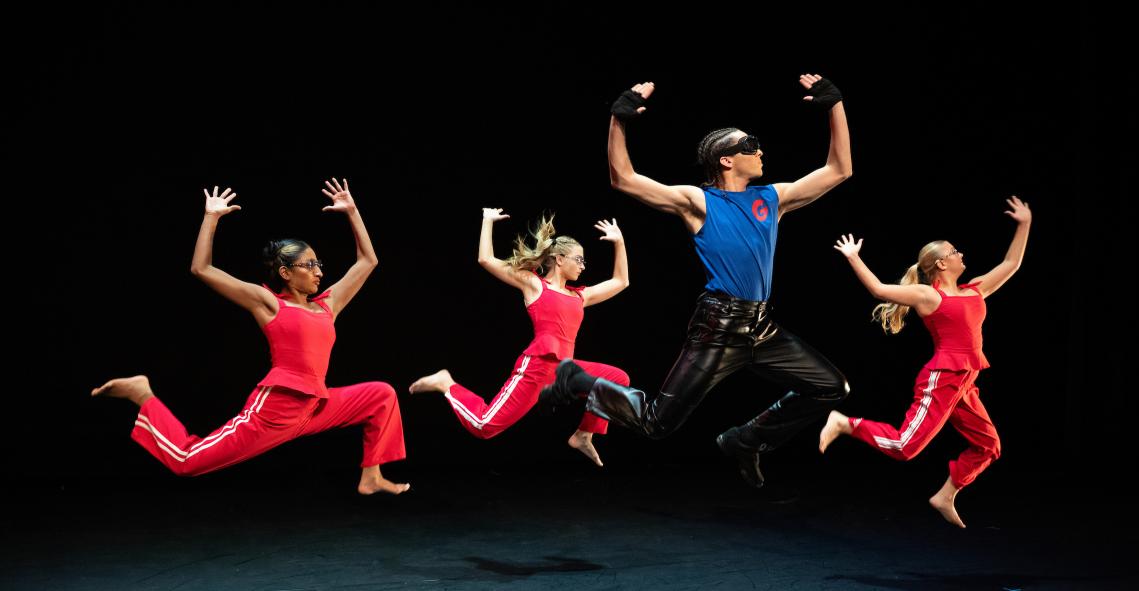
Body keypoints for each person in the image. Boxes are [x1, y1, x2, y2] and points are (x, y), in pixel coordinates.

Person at [541, 74, 852, 488]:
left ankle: (746, 440)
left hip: (761, 326)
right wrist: (619, 119)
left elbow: (839, 169)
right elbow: (624, 178)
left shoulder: (773, 198)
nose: (759, 151)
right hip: (717, 327)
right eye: (749, 145)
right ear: (726, 159)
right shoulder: (699, 201)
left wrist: (835, 104)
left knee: (832, 388)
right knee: (656, 423)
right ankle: (576, 379)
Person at [92, 179, 409, 495]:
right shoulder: (269, 303)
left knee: (382, 394)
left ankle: (371, 476)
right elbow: (202, 269)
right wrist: (211, 218)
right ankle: (143, 395)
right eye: (309, 265)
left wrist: (352, 211)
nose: (318, 271)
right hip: (276, 410)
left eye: (318, 264)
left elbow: (368, 261)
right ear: (286, 273)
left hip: (316, 405)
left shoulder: (329, 304)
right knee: (186, 461)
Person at [819, 196, 1032, 527]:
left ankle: (945, 495)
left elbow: (1011, 265)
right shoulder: (929, 296)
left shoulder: (974, 290)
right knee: (905, 447)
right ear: (942, 265)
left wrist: (1025, 223)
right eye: (954, 251)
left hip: (965, 382)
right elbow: (878, 289)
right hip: (943, 378)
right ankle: (845, 423)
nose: (961, 254)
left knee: (989, 445)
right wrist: (854, 257)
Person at [408, 208, 631, 466]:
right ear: (559, 259)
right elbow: (486, 259)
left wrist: (620, 242)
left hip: (566, 371)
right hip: (537, 368)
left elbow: (621, 281)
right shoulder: (535, 285)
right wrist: (487, 221)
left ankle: (583, 434)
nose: (583, 266)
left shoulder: (580, 296)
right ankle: (446, 383)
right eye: (578, 260)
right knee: (484, 426)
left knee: (617, 378)